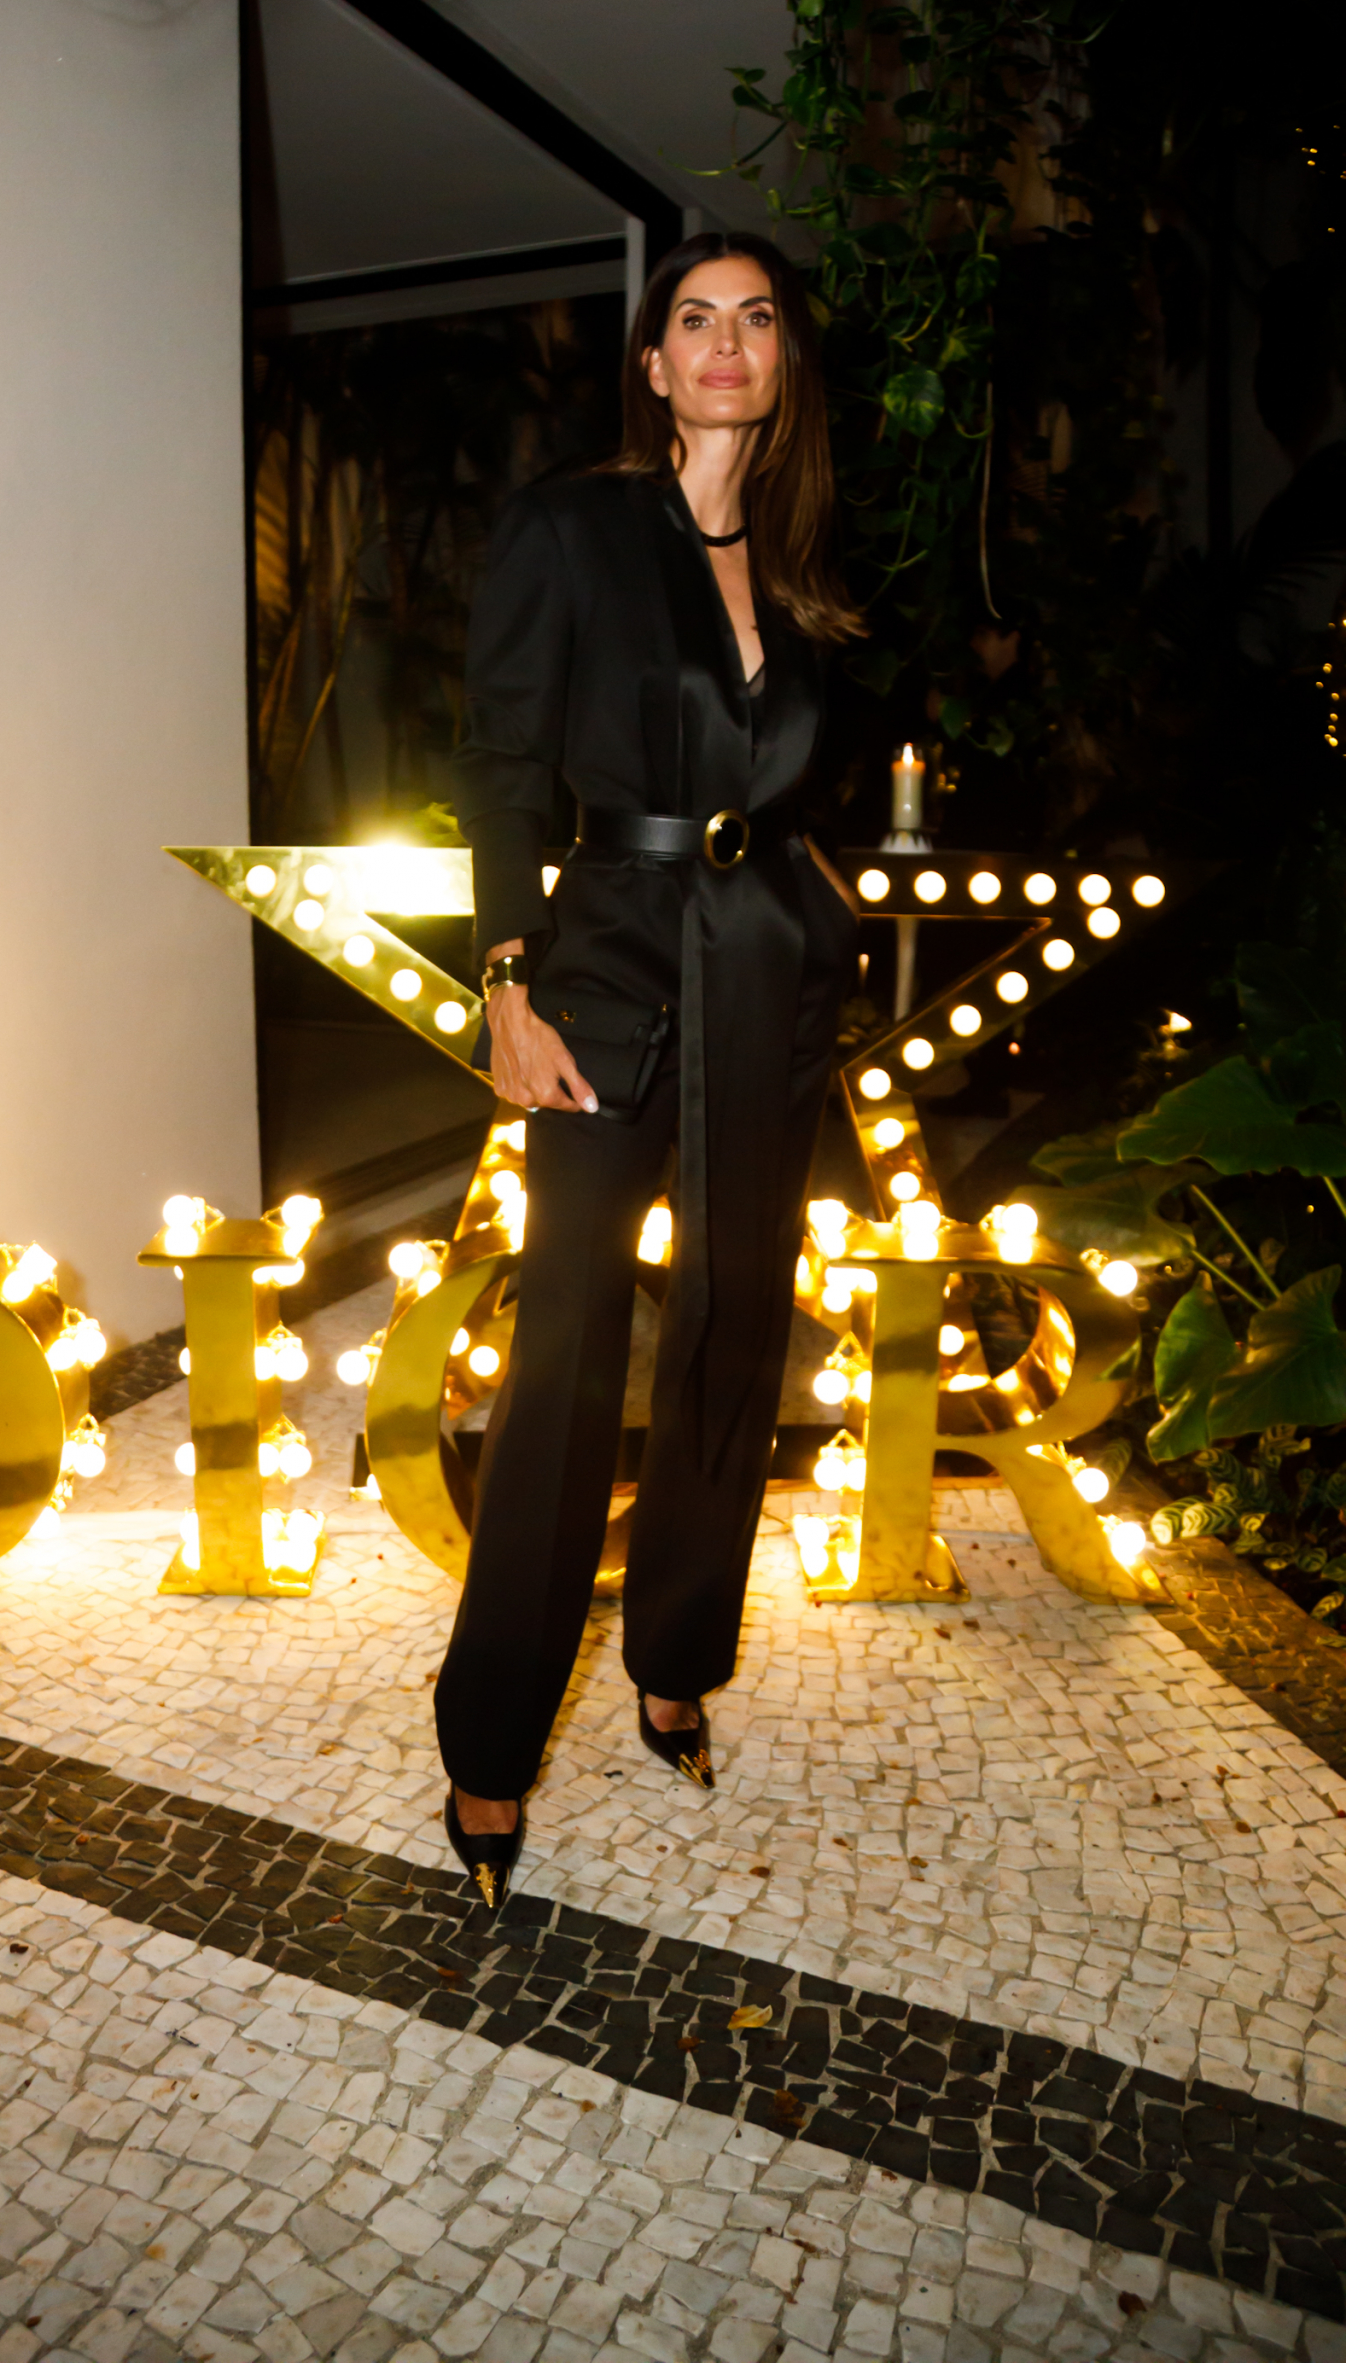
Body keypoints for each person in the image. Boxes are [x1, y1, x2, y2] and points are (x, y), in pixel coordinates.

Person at [433, 231, 866, 1912]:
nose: (726, 344)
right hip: (607, 963)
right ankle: (491, 1734)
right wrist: (504, 980)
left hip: (769, 973)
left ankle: (676, 1655)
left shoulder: (807, 558)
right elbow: (496, 766)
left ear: (784, 362)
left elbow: (794, 778)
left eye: (756, 320)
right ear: (653, 362)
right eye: (695, 319)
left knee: (735, 1326)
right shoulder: (572, 529)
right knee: (564, 1347)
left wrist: (817, 908)